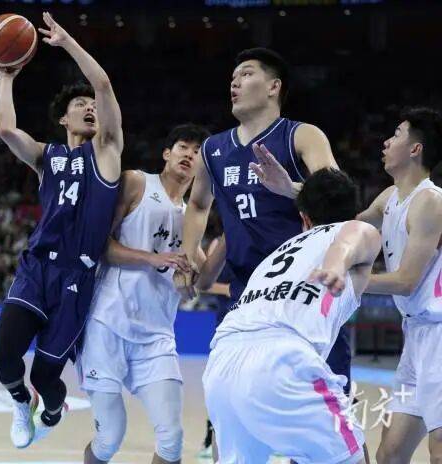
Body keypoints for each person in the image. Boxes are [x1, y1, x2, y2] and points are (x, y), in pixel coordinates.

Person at [180, 47, 352, 450]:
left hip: (305, 296)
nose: (234, 83)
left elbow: (339, 201)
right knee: (232, 426)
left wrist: (290, 189)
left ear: (274, 86)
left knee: (321, 432)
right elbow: (198, 205)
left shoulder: (301, 135)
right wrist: (188, 254)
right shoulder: (213, 149)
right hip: (246, 300)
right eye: (232, 77)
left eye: (246, 74)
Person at [0, 12, 123, 448]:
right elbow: (6, 129)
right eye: (79, 105)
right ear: (63, 119)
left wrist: (66, 43)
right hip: (36, 268)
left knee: (48, 375)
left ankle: (51, 410)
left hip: (76, 278)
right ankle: (20, 400)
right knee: (5, 357)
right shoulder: (47, 157)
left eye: (91, 105)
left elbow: (103, 85)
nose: (89, 107)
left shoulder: (107, 152)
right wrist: (5, 77)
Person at [202, 168, 381, 463]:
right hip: (283, 360)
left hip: (223, 364)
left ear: (304, 218)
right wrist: (335, 267)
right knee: (350, 457)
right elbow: (345, 243)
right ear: (353, 213)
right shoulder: (357, 230)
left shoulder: (276, 255)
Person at [78, 124, 209, 464]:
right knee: (109, 438)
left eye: (197, 152)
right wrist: (153, 258)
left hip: (156, 337)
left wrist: (216, 255)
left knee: (172, 439)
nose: (189, 155)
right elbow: (100, 245)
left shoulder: (192, 221)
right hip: (107, 323)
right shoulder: (136, 182)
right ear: (167, 153)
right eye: (183, 147)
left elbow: (202, 280)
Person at [355, 107, 442, 464]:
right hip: (415, 338)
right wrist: (292, 191)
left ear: (416, 149)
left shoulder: (430, 201)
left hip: (440, 337)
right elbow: (346, 224)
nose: (386, 142)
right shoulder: (389, 198)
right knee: (389, 454)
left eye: (396, 134)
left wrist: (348, 281)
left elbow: (406, 281)